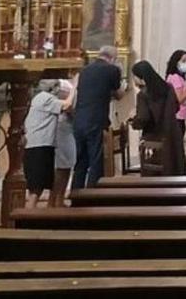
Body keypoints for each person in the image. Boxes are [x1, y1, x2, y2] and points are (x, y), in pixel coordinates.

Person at [72, 46, 125, 189]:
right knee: (96, 160)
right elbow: (118, 94)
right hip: (96, 120)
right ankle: (92, 196)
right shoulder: (112, 70)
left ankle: (76, 195)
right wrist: (123, 88)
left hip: (79, 120)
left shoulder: (84, 70)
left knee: (81, 161)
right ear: (112, 58)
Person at [24, 79, 77, 207]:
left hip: (41, 145)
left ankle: (31, 215)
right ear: (54, 88)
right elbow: (67, 105)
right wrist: (74, 88)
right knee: (36, 188)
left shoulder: (41, 97)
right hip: (39, 145)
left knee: (38, 187)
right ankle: (28, 218)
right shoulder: (46, 98)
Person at [132, 60, 186, 176]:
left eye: (134, 76)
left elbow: (143, 118)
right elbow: (176, 107)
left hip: (153, 139)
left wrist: (134, 122)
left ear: (140, 76)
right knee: (173, 170)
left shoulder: (143, 94)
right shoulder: (169, 88)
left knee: (154, 175)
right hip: (172, 135)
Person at [50, 79, 77, 207]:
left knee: (66, 166)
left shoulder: (70, 83)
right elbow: (67, 106)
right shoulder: (61, 84)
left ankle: (59, 198)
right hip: (62, 126)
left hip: (69, 126)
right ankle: (53, 199)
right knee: (61, 166)